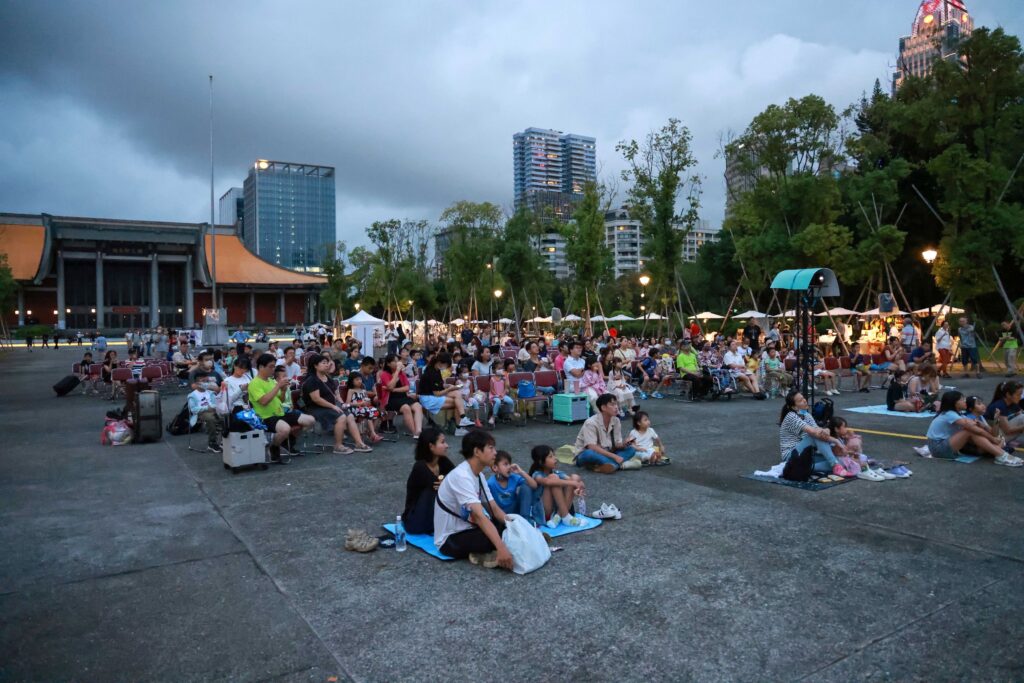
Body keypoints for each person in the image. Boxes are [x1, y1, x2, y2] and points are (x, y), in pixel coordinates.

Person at [433, 430, 513, 569]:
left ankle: (489, 551)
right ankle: (486, 554)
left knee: (505, 525)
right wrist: (502, 548)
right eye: (491, 448)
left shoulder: (479, 475)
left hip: (469, 528)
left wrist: (516, 527)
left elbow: (493, 508)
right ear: (477, 451)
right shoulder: (461, 476)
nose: (495, 453)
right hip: (450, 539)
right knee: (493, 537)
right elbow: (479, 515)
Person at [250, 353, 316, 462]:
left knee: (310, 420)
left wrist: (284, 390)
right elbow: (264, 401)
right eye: (270, 367)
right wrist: (278, 386)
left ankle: (286, 442)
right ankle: (274, 447)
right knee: (285, 429)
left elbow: (280, 400)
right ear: (261, 367)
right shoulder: (255, 383)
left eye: (274, 366)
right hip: (266, 416)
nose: (273, 370)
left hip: (281, 412)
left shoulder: (270, 381)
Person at [301, 353, 371, 454]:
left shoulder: (327, 378)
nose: (327, 365)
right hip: (317, 409)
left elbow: (336, 393)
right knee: (341, 417)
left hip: (331, 406)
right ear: (315, 366)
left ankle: (359, 443)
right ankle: (338, 445)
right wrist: (333, 406)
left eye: (327, 362)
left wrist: (341, 403)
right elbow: (316, 399)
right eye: (323, 363)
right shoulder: (312, 380)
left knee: (350, 416)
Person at [925, 391, 1020, 465]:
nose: (965, 401)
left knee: (974, 432)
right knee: (969, 431)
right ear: (955, 403)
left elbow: (991, 432)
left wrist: (996, 420)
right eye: (962, 399)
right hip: (937, 447)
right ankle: (1001, 455)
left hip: (943, 446)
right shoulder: (950, 414)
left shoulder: (959, 415)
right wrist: (993, 439)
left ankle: (1001, 454)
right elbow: (972, 428)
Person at [778, 391, 849, 477]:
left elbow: (819, 431)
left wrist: (825, 430)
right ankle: (834, 465)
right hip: (791, 456)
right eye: (800, 400)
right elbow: (814, 433)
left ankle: (806, 468)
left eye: (803, 398)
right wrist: (836, 441)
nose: (804, 400)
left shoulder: (806, 415)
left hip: (805, 454)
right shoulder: (791, 416)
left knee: (841, 460)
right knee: (814, 436)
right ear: (794, 407)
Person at [403, 428, 455, 535]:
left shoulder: (442, 461)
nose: (447, 446)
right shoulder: (420, 467)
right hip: (415, 518)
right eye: (442, 442)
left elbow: (457, 477)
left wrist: (446, 481)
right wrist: (447, 482)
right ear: (431, 446)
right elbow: (436, 487)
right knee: (433, 491)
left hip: (434, 513)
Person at [573, 394, 640, 473]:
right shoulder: (591, 423)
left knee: (631, 449)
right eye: (612, 404)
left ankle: (607, 466)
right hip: (586, 454)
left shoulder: (616, 421)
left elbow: (617, 445)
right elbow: (592, 447)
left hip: (608, 452)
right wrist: (614, 456)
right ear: (603, 408)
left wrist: (625, 444)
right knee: (589, 453)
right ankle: (620, 465)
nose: (616, 407)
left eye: (616, 404)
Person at [417, 352, 474, 436]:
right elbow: (437, 393)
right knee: (457, 402)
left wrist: (448, 386)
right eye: (447, 365)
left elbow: (439, 385)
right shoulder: (431, 373)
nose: (447, 368)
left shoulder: (436, 370)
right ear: (441, 363)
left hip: (433, 395)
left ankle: (462, 418)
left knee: (457, 393)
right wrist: (449, 389)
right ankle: (459, 425)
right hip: (428, 398)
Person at [529, 445, 585, 527]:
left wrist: (578, 488)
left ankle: (559, 516)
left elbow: (576, 481)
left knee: (574, 477)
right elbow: (547, 482)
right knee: (553, 478)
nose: (555, 458)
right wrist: (573, 484)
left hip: (556, 511)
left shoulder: (556, 472)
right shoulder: (537, 475)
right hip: (545, 513)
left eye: (554, 455)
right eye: (551, 456)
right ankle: (565, 516)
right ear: (541, 462)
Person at [379, 353, 424, 438]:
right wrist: (396, 372)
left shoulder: (401, 373)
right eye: (394, 361)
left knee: (418, 406)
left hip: (402, 396)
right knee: (406, 407)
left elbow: (407, 387)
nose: (397, 363)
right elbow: (390, 385)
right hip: (391, 399)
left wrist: (394, 390)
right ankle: (414, 432)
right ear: (388, 364)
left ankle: (418, 430)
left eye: (397, 361)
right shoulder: (384, 374)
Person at [487, 450, 539, 520]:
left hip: (515, 509)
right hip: (501, 513)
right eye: (505, 464)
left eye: (509, 464)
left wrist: (521, 472)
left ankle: (526, 519)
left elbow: (534, 486)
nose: (509, 467)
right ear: (495, 468)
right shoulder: (491, 483)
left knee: (526, 486)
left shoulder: (513, 477)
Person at [187, 371, 224, 454]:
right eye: (203, 382)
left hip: (213, 411)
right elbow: (193, 409)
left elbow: (215, 403)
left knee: (225, 416)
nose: (205, 384)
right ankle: (212, 443)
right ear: (196, 383)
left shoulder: (210, 393)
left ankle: (223, 440)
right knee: (211, 419)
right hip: (201, 413)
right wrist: (207, 408)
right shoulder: (192, 395)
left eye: (206, 381)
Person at [345, 372, 382, 443]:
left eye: (360, 379)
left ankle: (371, 432)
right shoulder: (351, 390)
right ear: (352, 381)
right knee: (368, 412)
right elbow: (348, 403)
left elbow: (366, 400)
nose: (359, 381)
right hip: (355, 408)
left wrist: (367, 402)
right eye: (357, 380)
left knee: (377, 412)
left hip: (363, 408)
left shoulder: (363, 390)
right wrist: (360, 403)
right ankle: (373, 434)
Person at [985, 381, 1024, 446]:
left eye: (1021, 394)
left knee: (1022, 416)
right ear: (1008, 394)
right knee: (1022, 418)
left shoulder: (1013, 402)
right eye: (1018, 395)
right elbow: (1007, 430)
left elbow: (1019, 413)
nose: (1020, 397)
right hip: (993, 437)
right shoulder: (999, 406)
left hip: (1001, 432)